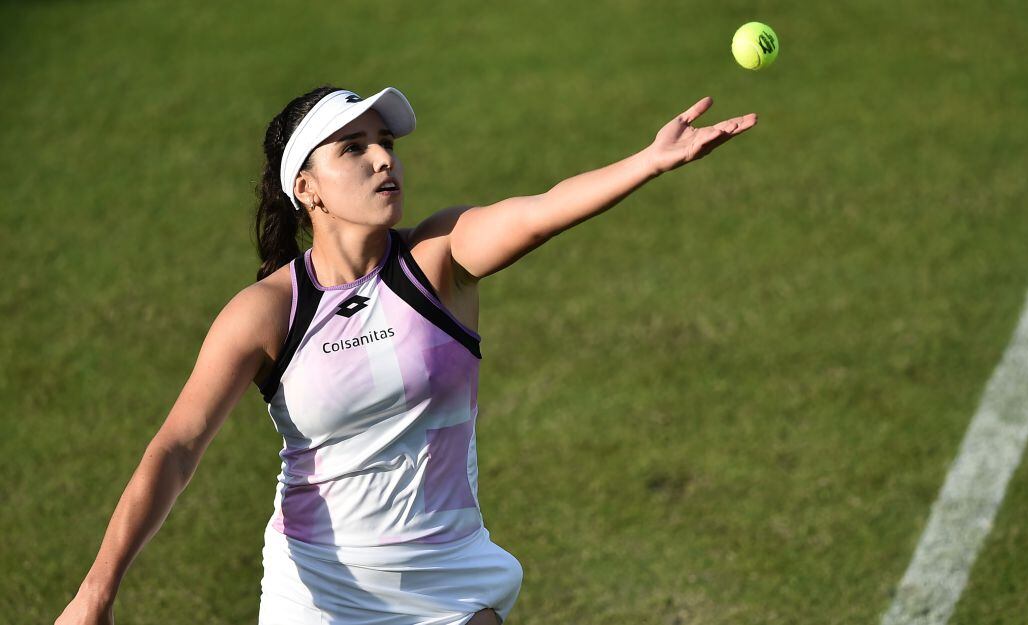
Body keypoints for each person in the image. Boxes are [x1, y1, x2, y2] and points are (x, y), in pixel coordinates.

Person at [55, 84, 756, 625]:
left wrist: (649, 161)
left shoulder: (438, 259)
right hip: (319, 591)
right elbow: (177, 446)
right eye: (353, 148)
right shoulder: (268, 311)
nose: (384, 157)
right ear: (307, 187)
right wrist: (97, 588)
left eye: (384, 140)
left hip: (448, 579)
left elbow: (542, 211)